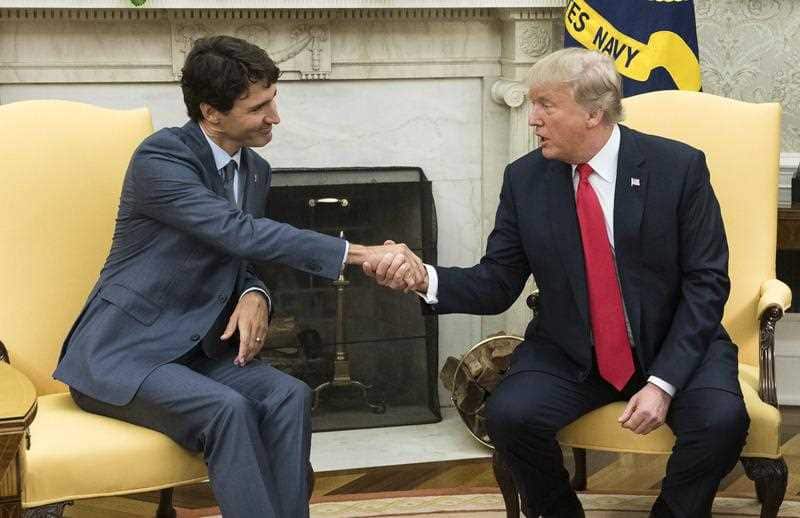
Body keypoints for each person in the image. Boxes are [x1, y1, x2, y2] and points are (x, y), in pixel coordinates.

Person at [366, 47, 748, 518]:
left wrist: (663, 383)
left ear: (594, 111)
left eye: (546, 104)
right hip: (571, 349)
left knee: (722, 422)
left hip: (677, 341)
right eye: (533, 104)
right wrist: (424, 277)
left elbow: (707, 282)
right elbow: (496, 281)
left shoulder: (678, 168)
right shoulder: (526, 180)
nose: (533, 120)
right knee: (510, 416)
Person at [53, 35, 422, 518]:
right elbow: (237, 231)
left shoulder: (254, 170)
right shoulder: (161, 159)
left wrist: (254, 292)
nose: (275, 117)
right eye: (259, 106)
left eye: (273, 100)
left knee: (287, 393)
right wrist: (361, 252)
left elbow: (238, 254)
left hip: (195, 351)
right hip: (123, 354)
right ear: (211, 112)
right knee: (227, 409)